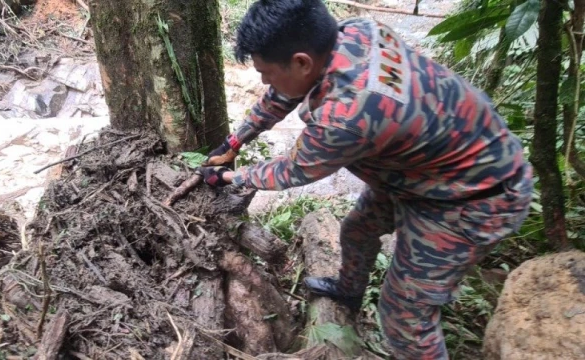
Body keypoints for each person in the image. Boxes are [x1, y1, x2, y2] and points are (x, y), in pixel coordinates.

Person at [197, 0, 533, 359]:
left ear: (301, 62)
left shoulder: (347, 115)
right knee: (357, 230)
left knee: (405, 318)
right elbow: (282, 92)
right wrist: (235, 141)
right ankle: (349, 291)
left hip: (474, 197)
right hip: (425, 168)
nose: (263, 81)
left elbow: (291, 170)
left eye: (266, 72)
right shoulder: (356, 33)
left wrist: (228, 177)